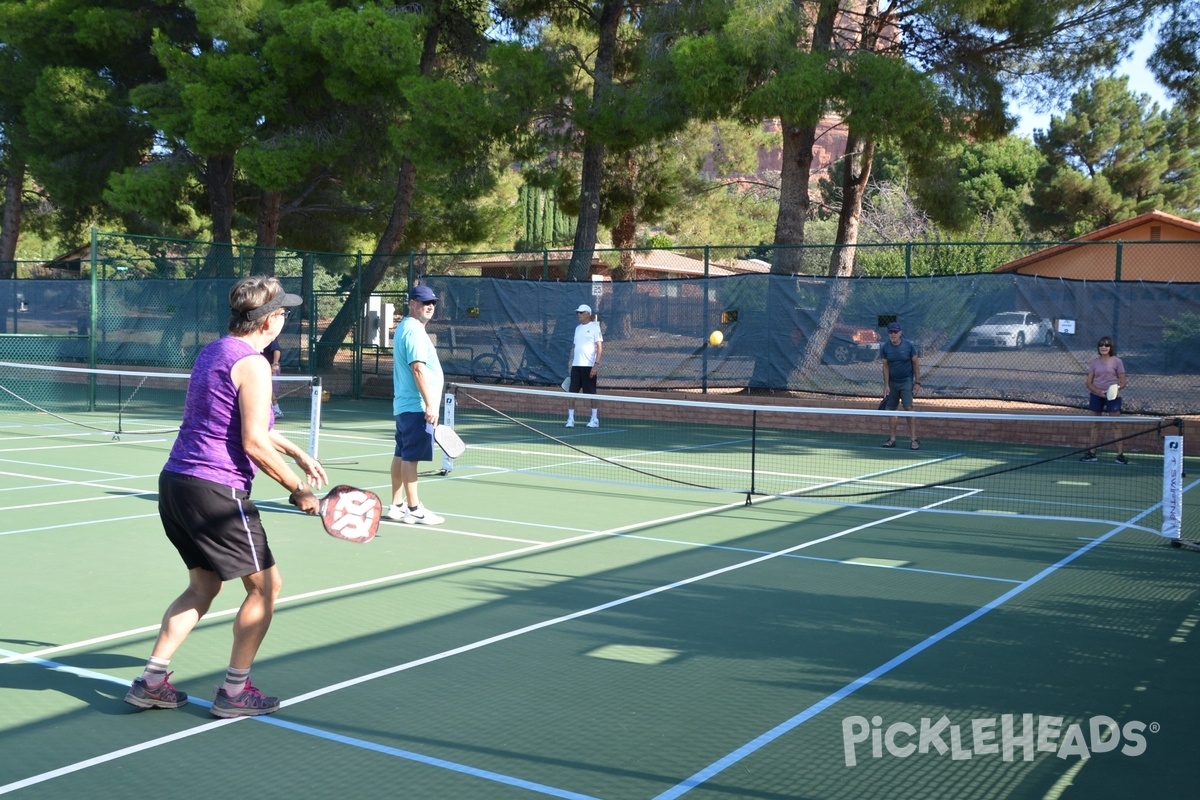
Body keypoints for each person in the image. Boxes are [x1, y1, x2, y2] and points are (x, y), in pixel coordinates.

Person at [124, 276, 327, 718]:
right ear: (270, 319)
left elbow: (246, 424)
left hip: (176, 482)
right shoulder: (253, 365)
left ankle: (151, 682)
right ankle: (235, 692)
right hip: (216, 489)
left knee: (203, 584)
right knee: (266, 587)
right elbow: (253, 442)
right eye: (284, 313)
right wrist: (300, 490)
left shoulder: (215, 351)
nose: (285, 320)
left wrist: (296, 452)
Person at [385, 284, 445, 524]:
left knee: (401, 454)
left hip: (405, 406)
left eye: (432, 303)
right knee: (411, 458)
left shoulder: (406, 328)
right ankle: (414, 509)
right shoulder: (414, 331)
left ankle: (397, 505)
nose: (429, 306)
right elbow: (418, 369)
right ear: (411, 303)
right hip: (415, 406)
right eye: (423, 302)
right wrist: (431, 404)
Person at [1081, 335, 1128, 464]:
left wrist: (1113, 391)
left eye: (1107, 345)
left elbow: (1123, 382)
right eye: (1101, 345)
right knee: (1095, 424)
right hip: (1097, 395)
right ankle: (1092, 453)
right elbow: (1088, 383)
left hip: (1113, 397)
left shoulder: (1117, 361)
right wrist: (1098, 392)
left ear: (1111, 347)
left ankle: (1120, 455)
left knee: (1115, 424)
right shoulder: (1094, 362)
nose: (1104, 347)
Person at [880, 321, 921, 449]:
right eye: (891, 332)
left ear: (900, 333)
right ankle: (892, 439)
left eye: (895, 332)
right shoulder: (885, 348)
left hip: (906, 381)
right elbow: (885, 366)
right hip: (893, 383)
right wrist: (886, 385)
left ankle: (914, 440)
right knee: (892, 411)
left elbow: (915, 364)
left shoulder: (909, 346)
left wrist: (917, 382)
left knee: (908, 408)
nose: (893, 334)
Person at [565, 304, 603, 428]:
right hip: (576, 366)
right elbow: (577, 347)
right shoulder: (577, 329)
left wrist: (595, 365)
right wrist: (572, 363)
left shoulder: (595, 328)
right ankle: (570, 419)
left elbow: (599, 348)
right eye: (578, 313)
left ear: (587, 314)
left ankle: (594, 419)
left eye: (581, 313)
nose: (579, 315)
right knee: (571, 394)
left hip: (589, 367)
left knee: (591, 394)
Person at [262, 335, 283, 416]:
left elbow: (277, 350)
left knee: (268, 388)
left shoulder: (270, 337)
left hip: (270, 366)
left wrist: (275, 364)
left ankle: (276, 410)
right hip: (261, 366)